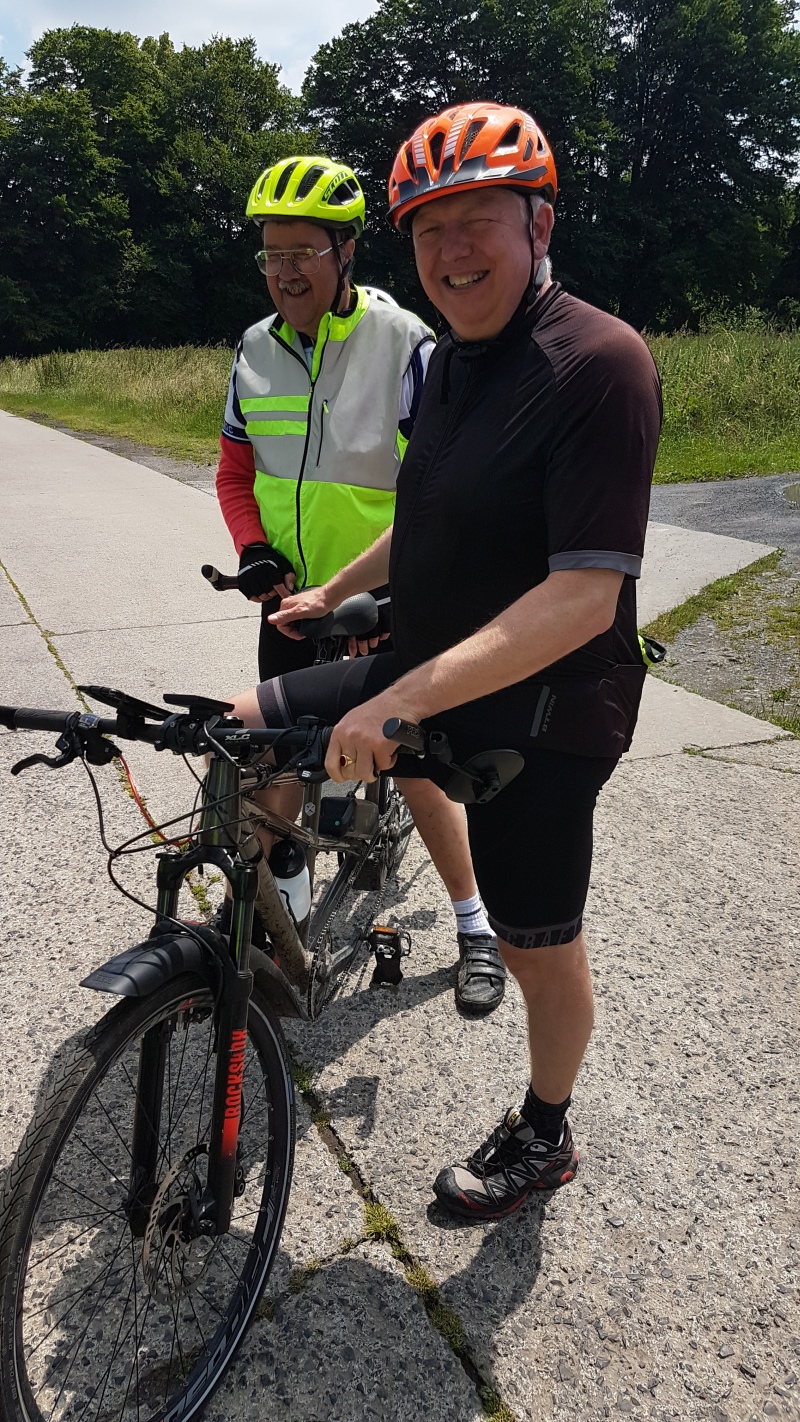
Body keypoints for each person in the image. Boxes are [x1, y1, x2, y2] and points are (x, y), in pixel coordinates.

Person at [229, 103, 661, 1219]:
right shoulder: (447, 363)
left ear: (538, 223)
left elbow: (581, 598)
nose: (450, 248)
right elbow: (419, 510)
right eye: (427, 227)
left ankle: (544, 1132)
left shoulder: (599, 364)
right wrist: (336, 591)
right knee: (241, 725)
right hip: (426, 659)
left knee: (535, 946)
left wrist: (407, 697)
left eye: (478, 218)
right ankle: (247, 952)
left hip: (545, 711)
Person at [216, 153, 507, 1014]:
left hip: (389, 601)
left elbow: (433, 496)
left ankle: (472, 921)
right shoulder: (254, 351)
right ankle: (280, 913)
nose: (285, 272)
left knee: (412, 767)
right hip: (293, 602)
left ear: (346, 253)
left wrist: (387, 596)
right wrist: (254, 550)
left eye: (303, 251)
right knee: (274, 753)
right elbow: (236, 472)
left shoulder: (406, 343)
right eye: (271, 254)